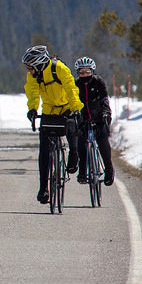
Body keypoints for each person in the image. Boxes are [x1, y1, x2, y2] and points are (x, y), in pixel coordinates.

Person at [22, 45, 84, 204]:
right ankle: (43, 188)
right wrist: (32, 109)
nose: (28, 71)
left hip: (66, 107)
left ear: (38, 64)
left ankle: (74, 155)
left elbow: (71, 88)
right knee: (44, 149)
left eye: (30, 68)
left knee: (71, 130)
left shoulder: (59, 69)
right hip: (49, 110)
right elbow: (32, 92)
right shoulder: (34, 76)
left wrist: (76, 108)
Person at [73, 56, 115, 186]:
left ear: (92, 71)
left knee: (103, 142)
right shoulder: (75, 84)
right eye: (81, 72)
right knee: (81, 144)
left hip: (98, 117)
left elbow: (104, 99)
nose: (85, 74)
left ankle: (108, 168)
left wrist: (106, 112)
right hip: (83, 119)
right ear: (78, 73)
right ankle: (82, 172)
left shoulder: (98, 82)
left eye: (87, 72)